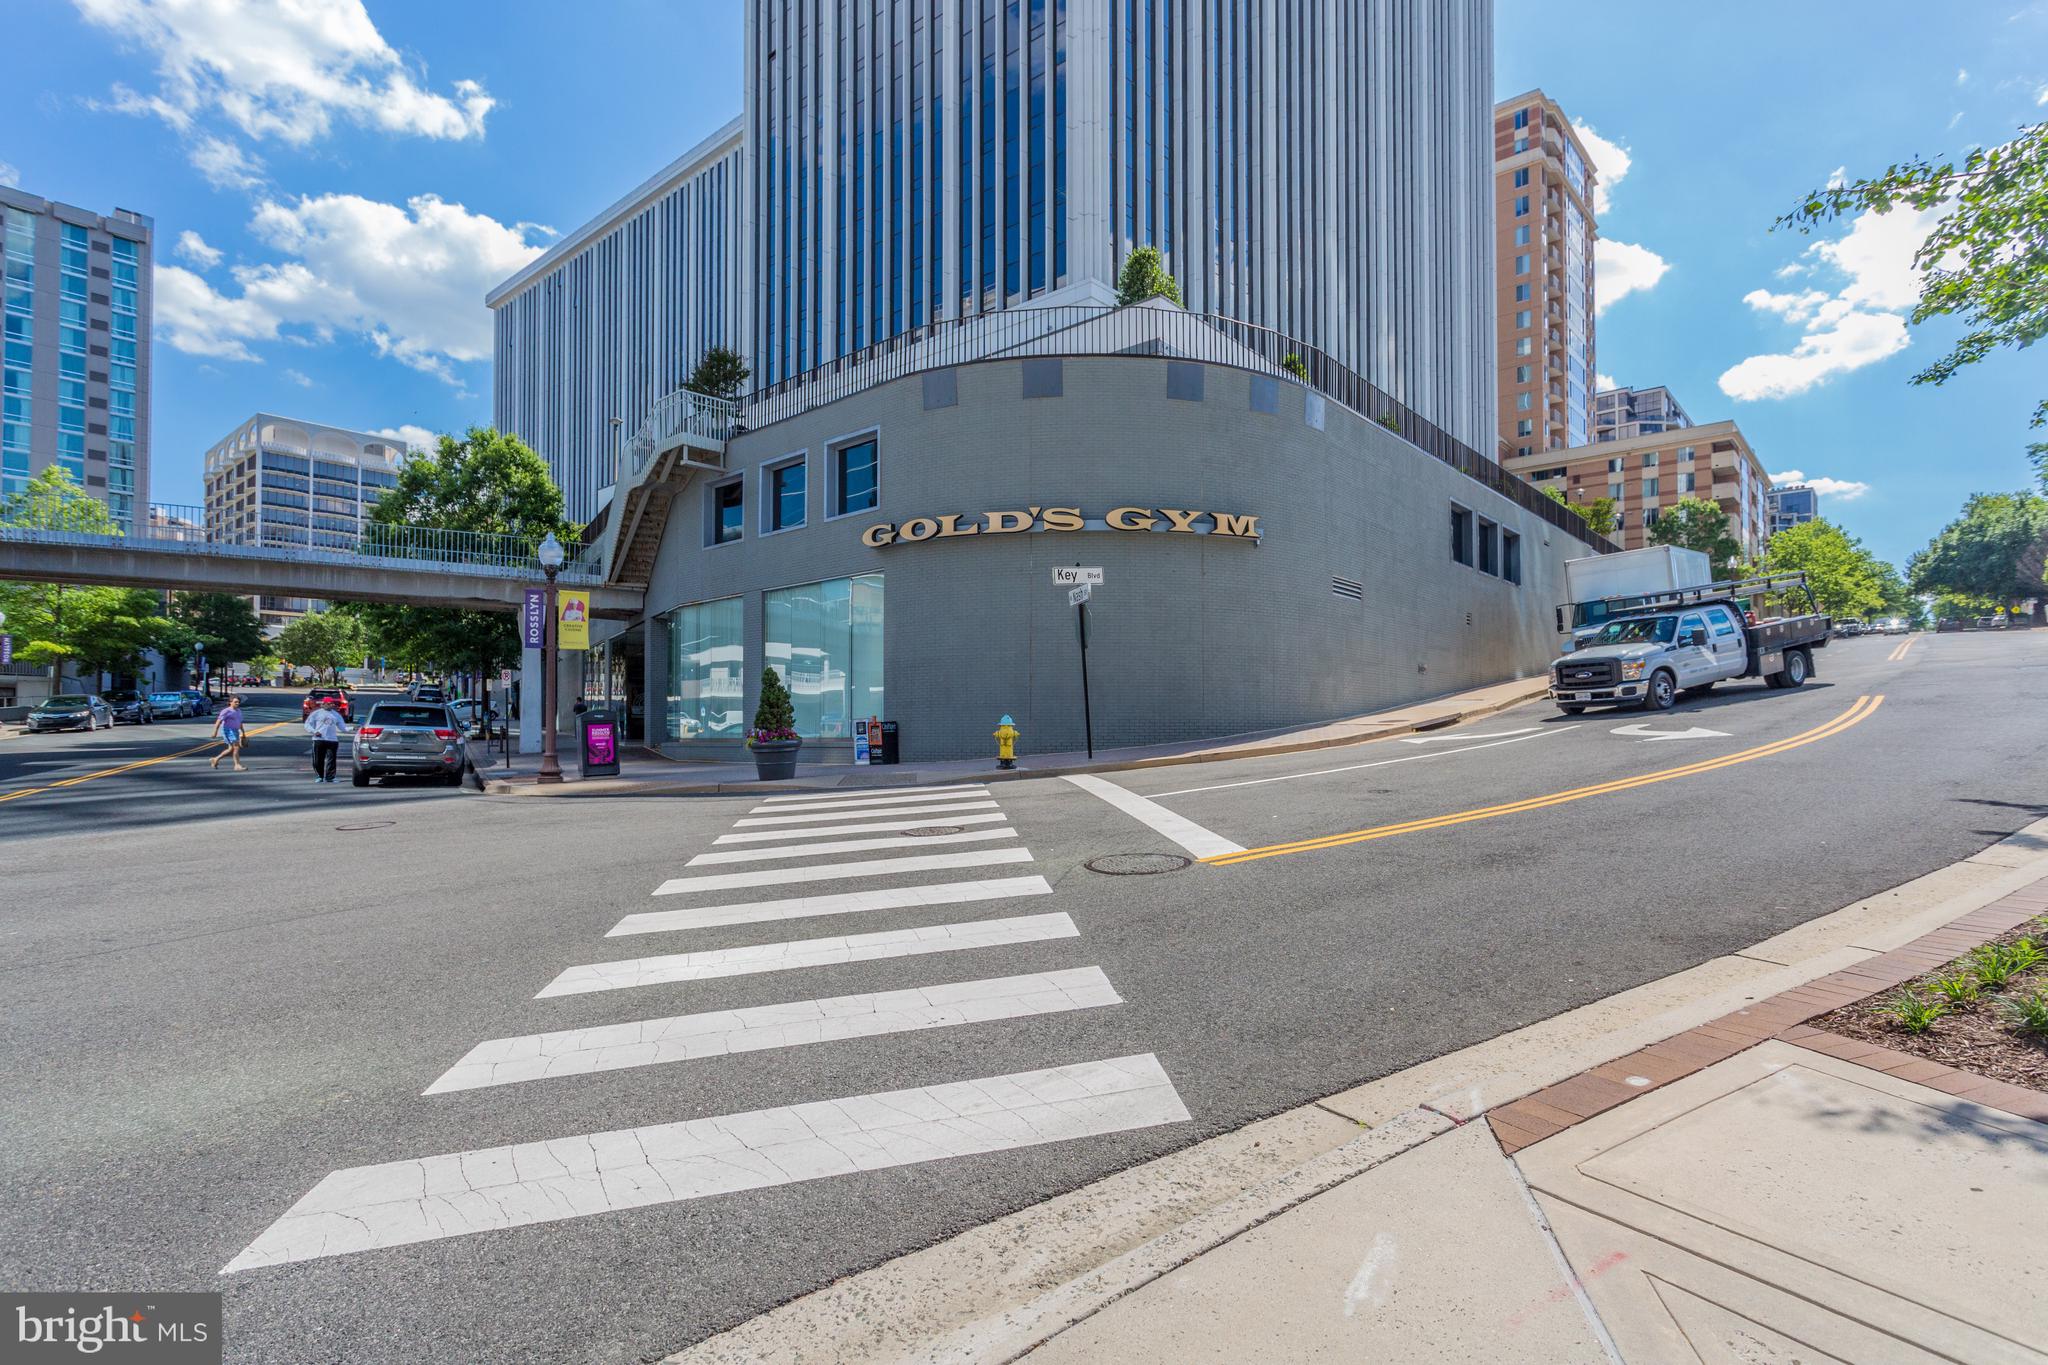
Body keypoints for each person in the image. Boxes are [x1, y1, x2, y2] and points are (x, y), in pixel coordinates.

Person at [305, 695, 347, 784]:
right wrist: (314, 731)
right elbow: (307, 724)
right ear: (323, 704)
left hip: (332, 740)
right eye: (329, 703)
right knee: (318, 759)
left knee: (331, 759)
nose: (331, 705)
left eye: (332, 703)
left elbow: (342, 728)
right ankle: (319, 776)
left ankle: (330, 777)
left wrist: (351, 729)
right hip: (319, 739)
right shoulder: (316, 713)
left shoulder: (336, 715)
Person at [209, 693, 248, 772]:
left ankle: (215, 759)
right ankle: (237, 765)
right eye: (235, 702)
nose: (237, 703)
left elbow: (240, 722)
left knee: (230, 749)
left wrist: (243, 732)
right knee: (236, 747)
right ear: (230, 702)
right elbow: (218, 721)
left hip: (235, 730)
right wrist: (215, 732)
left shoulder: (239, 711)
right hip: (228, 730)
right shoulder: (226, 711)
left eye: (238, 702)